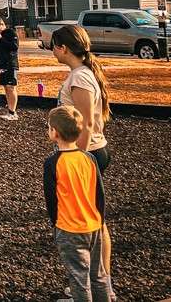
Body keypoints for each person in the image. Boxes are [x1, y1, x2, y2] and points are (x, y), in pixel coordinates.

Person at [51, 23, 113, 275]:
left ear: (63, 48)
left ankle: (99, 279)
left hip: (88, 153)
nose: (52, 51)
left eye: (54, 46)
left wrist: (79, 158)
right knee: (92, 217)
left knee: (93, 221)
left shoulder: (80, 77)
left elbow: (86, 122)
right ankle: (98, 279)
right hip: (86, 152)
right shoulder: (82, 73)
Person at [44, 106, 113, 302]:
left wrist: (55, 224)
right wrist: (100, 221)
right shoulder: (89, 158)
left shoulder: (52, 163)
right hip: (94, 225)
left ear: (55, 133)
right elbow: (100, 194)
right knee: (98, 275)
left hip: (69, 228)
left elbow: (51, 199)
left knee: (79, 279)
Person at [0, 16, 20, 121]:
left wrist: (2, 39)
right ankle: (10, 111)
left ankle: (13, 112)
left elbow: (14, 47)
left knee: (11, 87)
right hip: (0, 64)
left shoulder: (11, 33)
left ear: (2, 24)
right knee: (6, 88)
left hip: (10, 64)